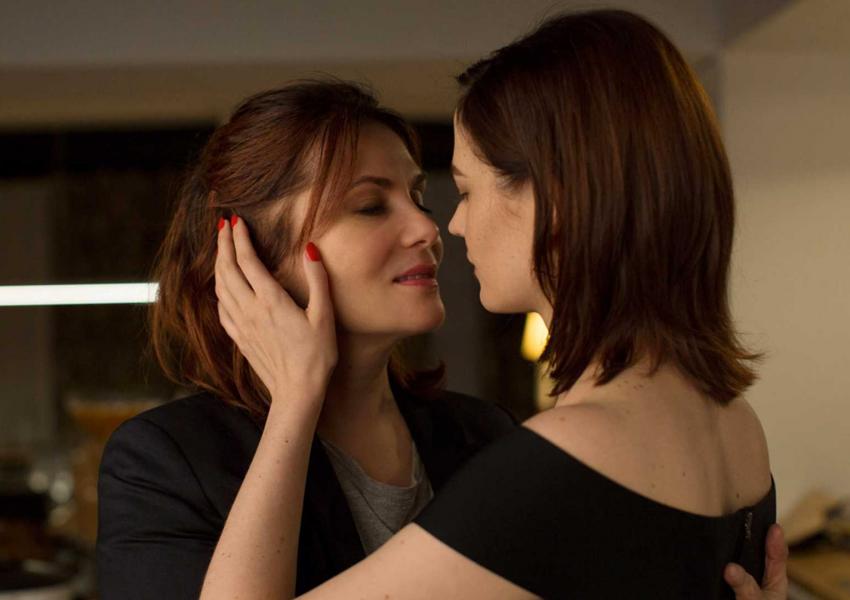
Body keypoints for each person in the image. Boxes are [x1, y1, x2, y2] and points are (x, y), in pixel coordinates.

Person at [204, 9, 787, 600]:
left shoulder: (563, 461)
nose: (448, 226)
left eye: (464, 191)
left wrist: (294, 397)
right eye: (373, 207)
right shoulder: (737, 425)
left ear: (555, 200)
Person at [96, 81, 518, 599]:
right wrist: (296, 399)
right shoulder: (163, 462)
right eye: (370, 206)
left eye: (417, 197)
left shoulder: (485, 436)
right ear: (252, 257)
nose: (427, 230)